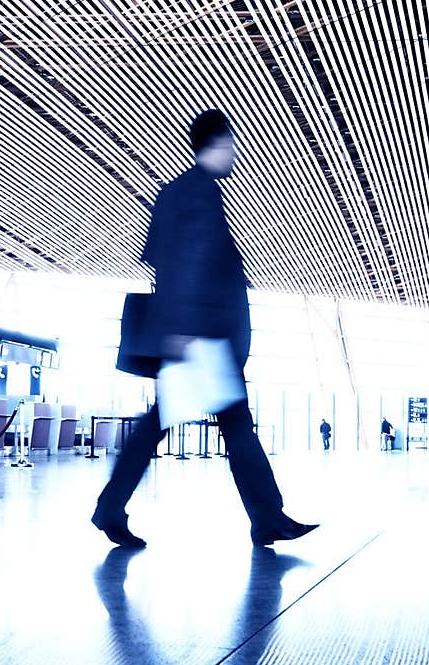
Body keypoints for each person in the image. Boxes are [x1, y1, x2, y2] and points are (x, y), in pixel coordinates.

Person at [92, 108, 317, 549]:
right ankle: (267, 517)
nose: (235, 155)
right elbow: (185, 266)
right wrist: (188, 331)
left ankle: (266, 516)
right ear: (215, 145)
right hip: (199, 339)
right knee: (216, 426)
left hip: (197, 336)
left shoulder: (180, 192)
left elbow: (162, 261)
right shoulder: (197, 193)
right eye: (230, 145)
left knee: (200, 425)